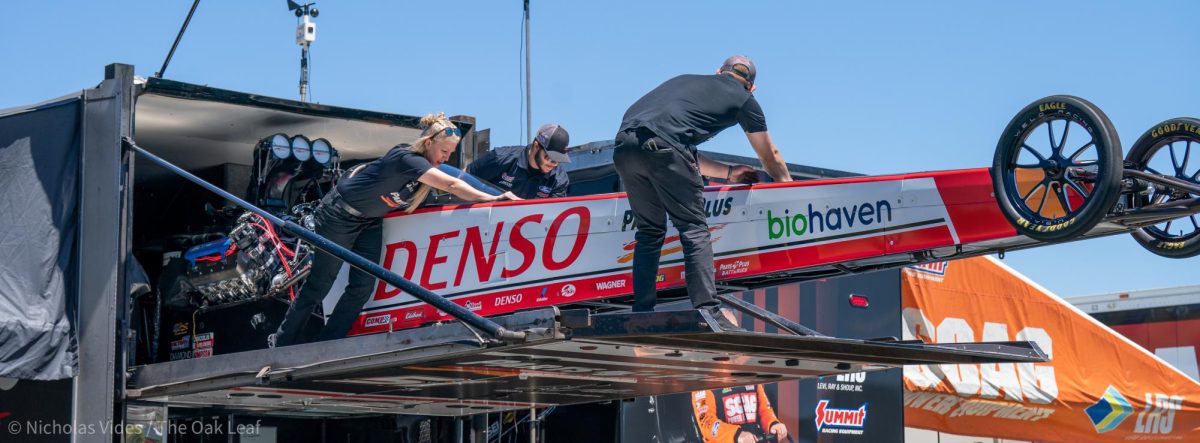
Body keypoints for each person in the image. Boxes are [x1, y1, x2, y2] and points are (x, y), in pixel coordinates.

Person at [272, 112, 521, 346]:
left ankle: (328, 343)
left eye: (451, 153)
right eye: (444, 151)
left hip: (369, 221)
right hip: (339, 215)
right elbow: (453, 184)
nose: (446, 157)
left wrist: (505, 200)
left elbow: (456, 184)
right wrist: (492, 200)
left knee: (363, 287)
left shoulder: (426, 174)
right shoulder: (405, 157)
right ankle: (283, 343)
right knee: (320, 284)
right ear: (428, 143)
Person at [613, 55, 793, 313]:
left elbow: (674, 146)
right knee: (694, 229)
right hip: (662, 149)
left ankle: (642, 311)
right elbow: (769, 156)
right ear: (751, 87)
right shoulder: (744, 99)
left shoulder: (684, 82)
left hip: (623, 148)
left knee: (650, 232)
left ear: (719, 71)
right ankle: (708, 309)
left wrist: (729, 173)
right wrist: (790, 188)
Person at [466, 123, 571, 199]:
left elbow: (553, 216)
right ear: (536, 146)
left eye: (559, 160)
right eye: (550, 157)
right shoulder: (501, 158)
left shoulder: (559, 179)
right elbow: (463, 181)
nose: (554, 164)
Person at [692, 385, 788, 443]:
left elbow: (765, 410)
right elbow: (707, 423)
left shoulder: (752, 379)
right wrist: (736, 435)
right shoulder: (703, 384)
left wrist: (773, 424)